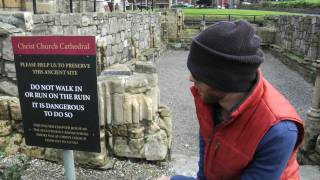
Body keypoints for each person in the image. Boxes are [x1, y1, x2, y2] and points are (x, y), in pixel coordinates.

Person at [158, 20, 304, 180]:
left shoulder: (278, 130)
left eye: (198, 74)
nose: (191, 78)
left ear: (224, 80)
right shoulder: (208, 99)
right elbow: (206, 163)